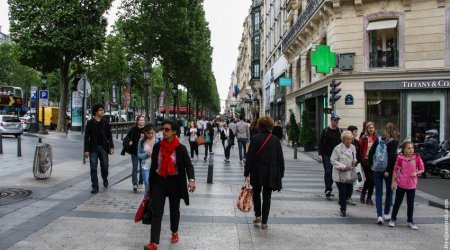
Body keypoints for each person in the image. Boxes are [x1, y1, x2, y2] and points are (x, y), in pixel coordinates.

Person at [145, 119, 196, 250]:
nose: (164, 131)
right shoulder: (157, 147)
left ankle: (174, 231)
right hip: (159, 181)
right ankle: (154, 242)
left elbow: (188, 166)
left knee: (174, 210)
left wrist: (191, 180)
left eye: (167, 130)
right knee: (157, 211)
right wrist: (150, 184)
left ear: (174, 131)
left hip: (175, 182)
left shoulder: (181, 149)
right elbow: (153, 166)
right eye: (163, 129)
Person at [244, 116, 285, 229]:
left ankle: (258, 215)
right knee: (267, 196)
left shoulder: (256, 139)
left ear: (260, 126)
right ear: (271, 126)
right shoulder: (276, 140)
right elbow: (280, 158)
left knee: (256, 192)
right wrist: (281, 173)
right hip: (271, 172)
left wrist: (246, 172)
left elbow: (250, 157)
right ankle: (264, 222)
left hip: (257, 171)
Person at [389, 141, 424, 230]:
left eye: (412, 148)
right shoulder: (400, 159)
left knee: (410, 204)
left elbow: (422, 169)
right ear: (403, 150)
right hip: (401, 184)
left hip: (412, 185)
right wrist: (393, 182)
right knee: (397, 202)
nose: (411, 150)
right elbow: (395, 171)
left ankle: (410, 221)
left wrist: (416, 173)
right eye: (408, 148)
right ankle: (393, 219)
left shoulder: (417, 158)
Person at [368, 123, 398, 224]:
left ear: (385, 130)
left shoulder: (379, 139)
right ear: (394, 131)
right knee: (389, 192)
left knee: (378, 193)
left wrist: (372, 165)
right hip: (387, 172)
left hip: (376, 169)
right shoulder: (394, 142)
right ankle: (386, 213)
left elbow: (371, 153)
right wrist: (388, 171)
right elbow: (392, 158)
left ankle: (379, 215)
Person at [84, 103, 114, 194]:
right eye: (100, 110)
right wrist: (86, 150)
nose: (102, 112)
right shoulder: (90, 123)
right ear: (96, 112)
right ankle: (95, 186)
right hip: (93, 148)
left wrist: (111, 147)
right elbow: (86, 137)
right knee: (93, 167)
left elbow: (109, 135)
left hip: (104, 147)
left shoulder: (105, 122)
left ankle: (104, 177)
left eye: (102, 110)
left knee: (105, 166)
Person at [330, 131, 357, 217]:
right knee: (342, 192)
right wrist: (343, 166)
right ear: (343, 140)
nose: (349, 141)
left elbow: (355, 158)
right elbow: (333, 160)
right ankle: (343, 209)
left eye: (350, 139)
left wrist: (354, 162)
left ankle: (342, 201)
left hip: (349, 174)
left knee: (348, 192)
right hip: (339, 174)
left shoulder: (353, 147)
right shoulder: (337, 148)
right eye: (347, 139)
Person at [318, 114, 343, 199]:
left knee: (333, 172)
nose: (337, 122)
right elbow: (321, 143)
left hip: (336, 156)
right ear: (331, 121)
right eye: (335, 120)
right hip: (327, 154)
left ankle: (329, 189)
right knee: (328, 171)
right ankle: (328, 190)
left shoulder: (340, 131)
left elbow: (342, 144)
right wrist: (320, 154)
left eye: (337, 120)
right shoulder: (326, 131)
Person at [359, 122, 377, 205]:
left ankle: (369, 197)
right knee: (370, 179)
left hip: (374, 161)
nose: (371, 129)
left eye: (372, 127)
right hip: (366, 161)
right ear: (367, 129)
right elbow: (360, 150)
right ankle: (363, 194)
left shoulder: (376, 138)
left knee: (373, 180)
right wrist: (361, 161)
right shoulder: (364, 138)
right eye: (369, 128)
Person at [126, 115, 145, 192]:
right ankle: (134, 184)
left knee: (142, 168)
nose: (142, 121)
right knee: (134, 168)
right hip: (134, 152)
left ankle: (141, 181)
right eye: (140, 120)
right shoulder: (133, 129)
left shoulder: (145, 130)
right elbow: (127, 137)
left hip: (143, 152)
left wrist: (144, 137)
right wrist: (130, 141)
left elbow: (150, 138)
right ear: (137, 121)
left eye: (143, 120)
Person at [138, 124, 157, 197]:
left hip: (156, 166)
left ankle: (154, 200)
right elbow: (139, 154)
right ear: (145, 133)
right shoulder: (142, 141)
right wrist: (146, 155)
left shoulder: (158, 139)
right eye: (149, 133)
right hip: (145, 166)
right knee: (147, 184)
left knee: (155, 185)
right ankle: (146, 201)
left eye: (152, 133)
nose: (151, 135)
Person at [346, 125, 360, 205]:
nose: (356, 133)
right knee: (345, 181)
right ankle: (344, 197)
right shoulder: (344, 142)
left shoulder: (357, 142)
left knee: (351, 181)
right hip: (346, 165)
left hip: (354, 165)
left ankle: (349, 197)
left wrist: (359, 162)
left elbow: (359, 154)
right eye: (355, 131)